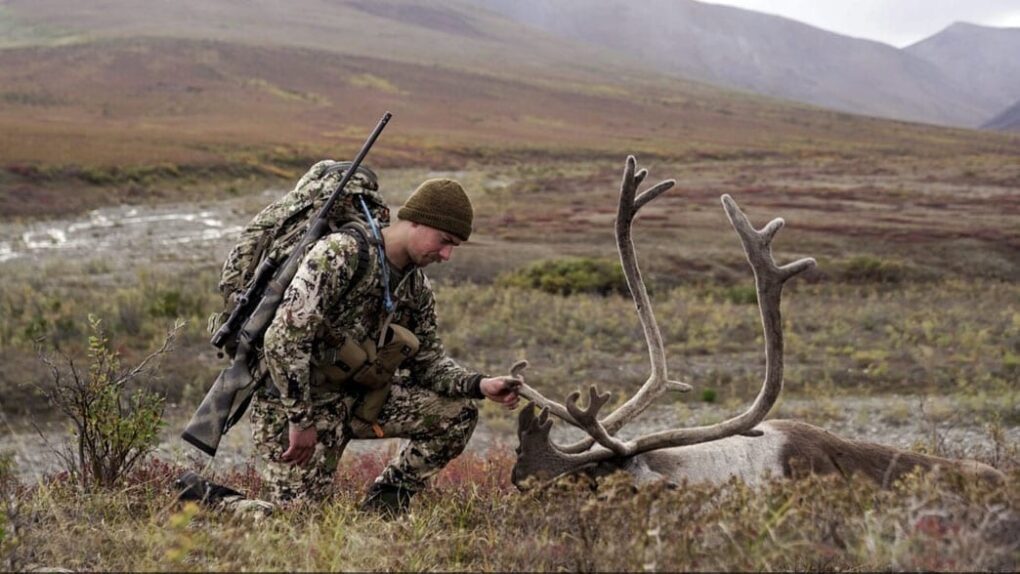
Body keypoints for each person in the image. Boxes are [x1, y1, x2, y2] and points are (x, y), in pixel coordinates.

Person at [250, 177, 521, 517]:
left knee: (458, 414)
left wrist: (480, 384)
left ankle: (383, 509)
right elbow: (283, 339)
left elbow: (429, 363)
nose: (447, 255)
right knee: (296, 521)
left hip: (354, 400)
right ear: (416, 221)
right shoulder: (340, 255)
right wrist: (300, 419)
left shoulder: (415, 289)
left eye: (455, 247)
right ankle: (203, 495)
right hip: (296, 405)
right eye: (445, 241)